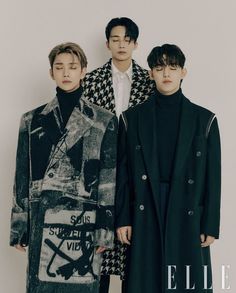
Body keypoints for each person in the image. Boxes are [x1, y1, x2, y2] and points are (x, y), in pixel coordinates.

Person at [10, 42, 118, 293]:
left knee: (83, 284)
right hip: (42, 217)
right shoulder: (31, 119)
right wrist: (19, 226)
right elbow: (22, 174)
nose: (66, 72)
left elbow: (108, 179)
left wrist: (105, 228)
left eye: (72, 67)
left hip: (84, 220)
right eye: (59, 67)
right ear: (52, 73)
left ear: (83, 71)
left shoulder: (103, 120)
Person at [116, 44, 221, 293]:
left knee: (186, 282)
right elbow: (122, 173)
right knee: (145, 282)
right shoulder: (132, 118)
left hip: (187, 206)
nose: (166, 73)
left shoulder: (204, 119)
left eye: (173, 67)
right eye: (159, 67)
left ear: (183, 72)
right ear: (151, 73)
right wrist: (122, 219)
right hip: (146, 204)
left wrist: (210, 224)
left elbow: (213, 177)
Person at [83, 17, 155, 293]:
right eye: (116, 39)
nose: (121, 44)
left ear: (135, 44)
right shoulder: (90, 81)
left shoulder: (150, 82)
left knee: (133, 258)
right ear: (107, 44)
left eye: (127, 39)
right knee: (96, 256)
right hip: (98, 175)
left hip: (138, 175)